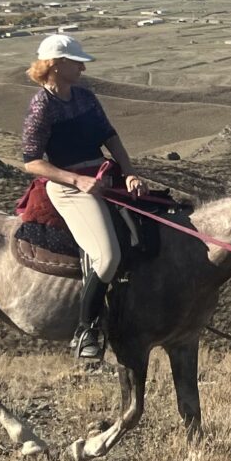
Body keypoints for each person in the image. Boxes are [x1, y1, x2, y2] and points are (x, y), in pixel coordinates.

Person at [19, 34, 148, 358]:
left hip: (105, 177)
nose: (82, 67)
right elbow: (31, 161)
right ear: (56, 64)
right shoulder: (42, 105)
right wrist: (75, 180)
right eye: (77, 61)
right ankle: (85, 329)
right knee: (108, 255)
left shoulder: (85, 96)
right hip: (69, 187)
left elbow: (110, 137)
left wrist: (130, 173)